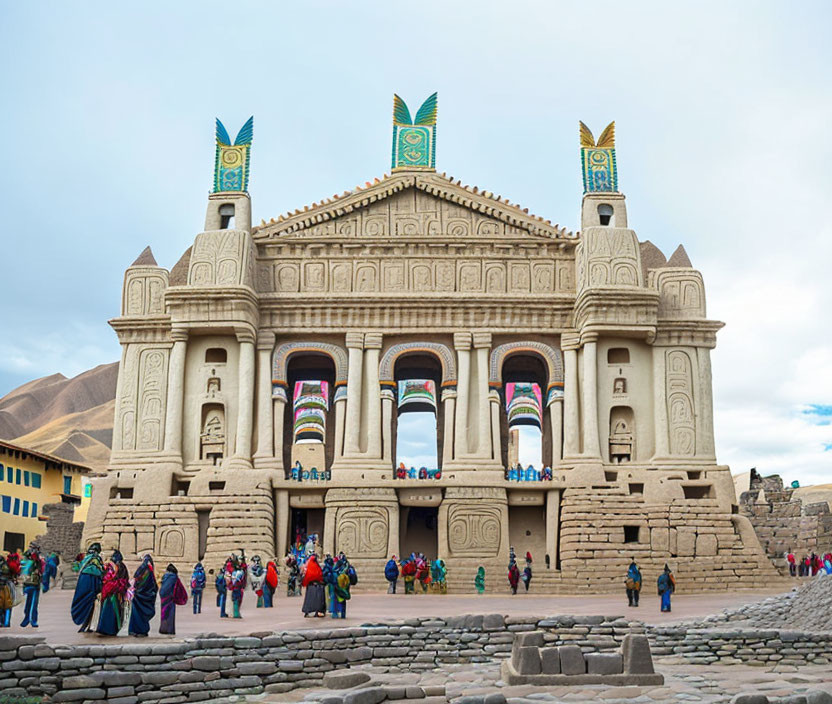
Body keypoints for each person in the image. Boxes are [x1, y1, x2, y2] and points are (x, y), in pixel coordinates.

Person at [71, 542, 104, 633]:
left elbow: (76, 568)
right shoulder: (97, 559)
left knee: (83, 602)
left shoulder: (85, 559)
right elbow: (100, 572)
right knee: (91, 604)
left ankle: (85, 625)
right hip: (93, 582)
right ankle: (88, 625)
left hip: (83, 581)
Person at [96, 550, 129, 636]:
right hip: (113, 593)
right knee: (113, 611)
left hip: (112, 593)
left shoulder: (115, 567)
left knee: (111, 611)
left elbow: (109, 579)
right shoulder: (119, 567)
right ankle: (110, 629)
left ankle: (107, 629)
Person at [128, 555, 157, 637]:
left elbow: (137, 581)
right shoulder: (149, 571)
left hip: (138, 596)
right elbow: (152, 585)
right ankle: (142, 630)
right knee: (142, 615)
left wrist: (137, 591)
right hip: (145, 597)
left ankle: (134, 630)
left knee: (136, 614)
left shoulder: (142, 570)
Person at [159, 564, 188, 634]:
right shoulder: (174, 578)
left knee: (163, 614)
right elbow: (179, 588)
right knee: (170, 615)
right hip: (170, 598)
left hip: (163, 598)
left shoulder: (164, 577)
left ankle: (163, 629)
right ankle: (169, 630)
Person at [19, 548, 43, 628]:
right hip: (34, 585)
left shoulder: (24, 562)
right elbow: (41, 571)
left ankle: (26, 619)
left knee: (28, 603)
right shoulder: (36, 562)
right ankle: (32, 620)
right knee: (33, 604)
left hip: (27, 584)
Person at [301, 553, 326, 617]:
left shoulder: (309, 566)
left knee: (309, 600)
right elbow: (319, 575)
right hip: (316, 585)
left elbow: (307, 576)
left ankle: (307, 612)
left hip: (310, 586)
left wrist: (305, 583)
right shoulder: (316, 566)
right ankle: (317, 612)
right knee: (317, 600)